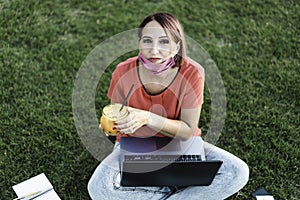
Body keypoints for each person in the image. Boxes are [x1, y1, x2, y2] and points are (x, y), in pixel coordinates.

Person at [88, 12, 249, 200]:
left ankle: (157, 188)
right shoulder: (123, 71)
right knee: (98, 189)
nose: (154, 50)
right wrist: (114, 127)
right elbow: (117, 114)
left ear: (177, 45)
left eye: (164, 42)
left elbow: (187, 130)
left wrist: (148, 117)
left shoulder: (193, 73)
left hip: (179, 144)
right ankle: (174, 189)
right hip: (134, 145)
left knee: (238, 172)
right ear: (139, 43)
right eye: (147, 41)